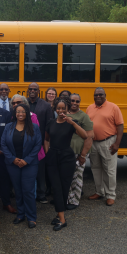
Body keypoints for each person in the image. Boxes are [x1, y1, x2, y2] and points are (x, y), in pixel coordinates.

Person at [44, 97, 87, 231]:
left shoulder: (71, 122)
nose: (61, 110)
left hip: (67, 158)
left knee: (64, 187)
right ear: (55, 109)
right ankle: (62, 219)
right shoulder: (50, 122)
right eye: (58, 108)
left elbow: (85, 135)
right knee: (56, 187)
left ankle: (60, 216)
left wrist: (72, 123)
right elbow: (46, 139)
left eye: (63, 108)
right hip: (53, 157)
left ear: (67, 109)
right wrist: (47, 152)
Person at [1, 104, 42, 229]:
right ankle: (20, 214)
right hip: (13, 164)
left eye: (23, 112)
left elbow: (38, 145)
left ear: (27, 113)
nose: (20, 114)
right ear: (14, 113)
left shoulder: (34, 127)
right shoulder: (9, 127)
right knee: (18, 190)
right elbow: (3, 144)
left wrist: (27, 160)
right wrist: (13, 159)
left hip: (29, 164)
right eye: (18, 111)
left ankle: (31, 217)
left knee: (28, 191)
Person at [86, 87, 124, 206]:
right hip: (93, 142)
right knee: (96, 168)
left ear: (105, 95)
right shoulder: (90, 108)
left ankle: (110, 195)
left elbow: (120, 125)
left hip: (108, 142)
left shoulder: (113, 107)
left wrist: (117, 143)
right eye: (96, 94)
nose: (98, 96)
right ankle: (99, 192)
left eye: (100, 94)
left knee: (109, 169)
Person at [27, 83, 54, 204]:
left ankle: (41, 193)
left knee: (40, 170)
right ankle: (28, 193)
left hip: (40, 143)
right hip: (25, 143)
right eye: (30, 89)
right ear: (27, 91)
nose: (32, 91)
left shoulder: (46, 105)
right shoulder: (23, 103)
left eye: (35, 89)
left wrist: (45, 142)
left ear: (39, 91)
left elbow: (49, 125)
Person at [66, 94, 94, 210]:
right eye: (72, 100)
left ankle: (74, 200)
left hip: (78, 153)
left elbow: (89, 137)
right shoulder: (64, 114)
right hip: (66, 152)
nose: (74, 103)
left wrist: (83, 156)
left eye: (77, 101)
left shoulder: (84, 117)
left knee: (76, 177)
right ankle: (67, 199)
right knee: (67, 176)